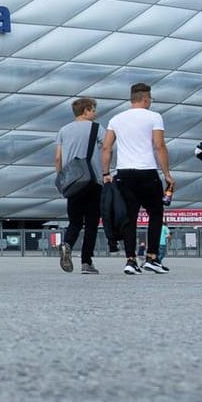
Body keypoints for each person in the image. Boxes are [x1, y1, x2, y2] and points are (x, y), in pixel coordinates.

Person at [99, 82, 175, 275]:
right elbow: (159, 146)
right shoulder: (154, 117)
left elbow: (106, 147)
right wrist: (166, 173)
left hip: (124, 174)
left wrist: (106, 173)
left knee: (129, 218)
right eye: (150, 99)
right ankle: (151, 257)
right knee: (156, 214)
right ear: (145, 98)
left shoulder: (116, 119)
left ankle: (131, 260)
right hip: (147, 172)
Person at [54, 97, 102, 274]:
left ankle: (67, 244)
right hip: (92, 181)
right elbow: (107, 149)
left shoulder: (63, 130)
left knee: (74, 222)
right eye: (93, 110)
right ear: (86, 110)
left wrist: (61, 179)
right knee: (91, 224)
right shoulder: (97, 128)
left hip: (72, 182)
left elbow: (58, 158)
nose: (95, 113)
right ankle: (86, 263)